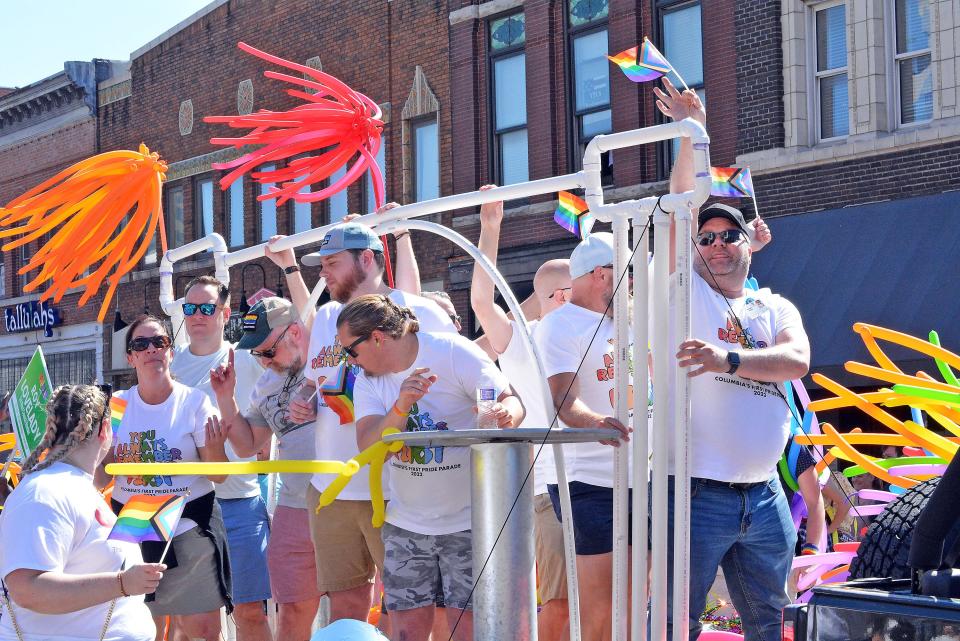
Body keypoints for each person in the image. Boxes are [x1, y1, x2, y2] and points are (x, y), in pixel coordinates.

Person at [660, 76, 811, 641]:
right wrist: (691, 134)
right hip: (699, 494)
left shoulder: (774, 304)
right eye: (708, 238)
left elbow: (795, 360)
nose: (717, 243)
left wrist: (726, 360)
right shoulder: (688, 293)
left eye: (730, 235)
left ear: (752, 241)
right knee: (676, 626)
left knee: (770, 625)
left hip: (767, 495)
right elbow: (680, 208)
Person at [298, 222, 455, 624]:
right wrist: (304, 400)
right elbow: (317, 381)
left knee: (417, 612)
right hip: (331, 487)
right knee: (346, 614)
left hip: (399, 493)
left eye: (331, 263)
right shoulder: (326, 317)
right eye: (321, 265)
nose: (323, 273)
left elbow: (457, 384)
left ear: (366, 259)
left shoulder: (420, 312)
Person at [344, 294, 524, 641]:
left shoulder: (453, 351)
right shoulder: (368, 379)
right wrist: (401, 406)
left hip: (471, 521)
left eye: (350, 350)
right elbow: (369, 445)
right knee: (407, 632)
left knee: (469, 629)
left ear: (377, 337)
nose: (349, 361)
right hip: (406, 525)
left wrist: (505, 417)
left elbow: (509, 401)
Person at [469, 190, 573, 641]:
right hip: (550, 489)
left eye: (578, 290)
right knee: (559, 602)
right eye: (558, 295)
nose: (569, 301)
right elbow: (480, 304)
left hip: (611, 485)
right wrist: (490, 229)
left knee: (609, 597)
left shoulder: (608, 330)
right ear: (544, 298)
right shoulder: (525, 339)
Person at [101, 316, 232, 641]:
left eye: (159, 342)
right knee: (141, 631)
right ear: (130, 357)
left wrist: (215, 450)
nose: (151, 350)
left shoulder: (194, 402)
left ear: (170, 352)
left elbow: (221, 475)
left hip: (186, 528)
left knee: (200, 633)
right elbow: (100, 472)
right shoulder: (116, 405)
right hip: (133, 532)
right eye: (140, 344)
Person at [0, 384, 163, 641]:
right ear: (105, 430)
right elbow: (26, 589)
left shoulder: (67, 485)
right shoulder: (44, 492)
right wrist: (122, 583)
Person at [537, 231, 632, 641]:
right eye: (625, 274)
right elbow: (563, 399)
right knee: (599, 607)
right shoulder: (560, 325)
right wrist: (596, 423)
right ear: (600, 274)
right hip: (587, 481)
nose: (631, 283)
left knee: (634, 597)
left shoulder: (625, 317)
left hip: (638, 475)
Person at [211, 296, 323, 641]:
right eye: (256, 354)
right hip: (293, 504)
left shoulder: (327, 362)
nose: (264, 362)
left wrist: (289, 265)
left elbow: (323, 316)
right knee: (289, 611)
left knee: (349, 608)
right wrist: (226, 398)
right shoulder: (266, 385)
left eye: (268, 352)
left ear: (293, 333)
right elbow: (247, 445)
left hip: (343, 499)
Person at [169, 276, 271, 641]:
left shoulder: (246, 358)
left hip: (240, 503)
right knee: (191, 621)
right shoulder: (170, 366)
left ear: (225, 313)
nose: (197, 315)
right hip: (188, 505)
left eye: (207, 308)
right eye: (190, 308)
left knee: (250, 613)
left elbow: (284, 388)